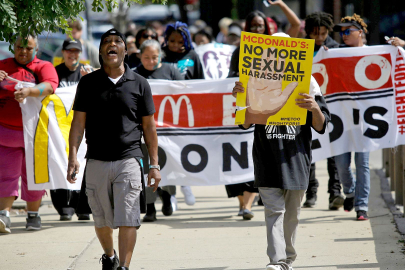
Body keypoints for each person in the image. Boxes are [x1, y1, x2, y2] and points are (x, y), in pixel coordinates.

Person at [232, 33, 331, 270]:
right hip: (266, 156)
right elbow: (244, 123)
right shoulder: (253, 81)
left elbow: (322, 125)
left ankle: (289, 258)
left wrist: (314, 107)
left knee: (292, 214)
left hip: (296, 158)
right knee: (273, 211)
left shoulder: (308, 82)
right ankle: (276, 261)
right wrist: (241, 96)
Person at [67, 29, 161, 270]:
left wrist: (154, 164)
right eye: (106, 42)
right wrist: (73, 157)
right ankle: (109, 256)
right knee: (102, 220)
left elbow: (149, 127)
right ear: (101, 51)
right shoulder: (88, 83)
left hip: (129, 159)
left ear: (125, 50)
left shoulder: (140, 83)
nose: (112, 44)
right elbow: (78, 123)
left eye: (117, 41)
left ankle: (124, 267)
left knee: (129, 217)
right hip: (96, 160)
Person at [0, 34, 59, 233]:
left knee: (34, 176)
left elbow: (51, 86)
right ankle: (4, 216)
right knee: (6, 175)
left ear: (36, 49)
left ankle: (33, 215)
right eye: (19, 47)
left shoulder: (43, 66)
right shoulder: (2, 65)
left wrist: (30, 92)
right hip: (6, 133)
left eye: (28, 48)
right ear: (12, 46)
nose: (23, 51)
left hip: (35, 134)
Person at [226, 10, 272, 220]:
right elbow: (229, 78)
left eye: (260, 26)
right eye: (253, 26)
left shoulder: (276, 49)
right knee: (245, 155)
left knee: (263, 156)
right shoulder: (240, 51)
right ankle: (244, 204)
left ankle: (251, 202)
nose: (257, 29)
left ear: (267, 28)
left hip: (271, 111)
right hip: (247, 110)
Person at [133, 39, 183, 222]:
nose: (150, 61)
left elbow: (186, 94)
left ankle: (167, 195)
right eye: (146, 57)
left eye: (154, 57)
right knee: (146, 167)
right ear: (139, 56)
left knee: (168, 166)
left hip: (169, 131)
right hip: (144, 130)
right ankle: (150, 208)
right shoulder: (134, 75)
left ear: (160, 56)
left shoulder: (171, 71)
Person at [302, 12, 343, 210]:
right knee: (310, 150)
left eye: (323, 33)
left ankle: (335, 192)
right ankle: (311, 191)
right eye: (315, 34)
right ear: (308, 32)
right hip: (308, 106)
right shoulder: (300, 50)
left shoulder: (335, 48)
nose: (319, 38)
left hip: (332, 106)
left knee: (333, 151)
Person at [332, 14, 370, 221]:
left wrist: (400, 44)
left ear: (360, 32)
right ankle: (351, 192)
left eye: (348, 31)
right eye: (341, 32)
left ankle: (362, 206)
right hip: (343, 119)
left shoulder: (376, 53)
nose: (344, 35)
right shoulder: (336, 54)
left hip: (366, 119)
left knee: (362, 163)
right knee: (341, 164)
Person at [51, 38, 91, 221]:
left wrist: (89, 79)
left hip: (81, 127)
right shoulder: (53, 73)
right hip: (58, 128)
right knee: (58, 163)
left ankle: (82, 205)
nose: (72, 54)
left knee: (83, 164)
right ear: (63, 52)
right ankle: (63, 205)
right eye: (69, 50)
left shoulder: (87, 73)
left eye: (76, 51)